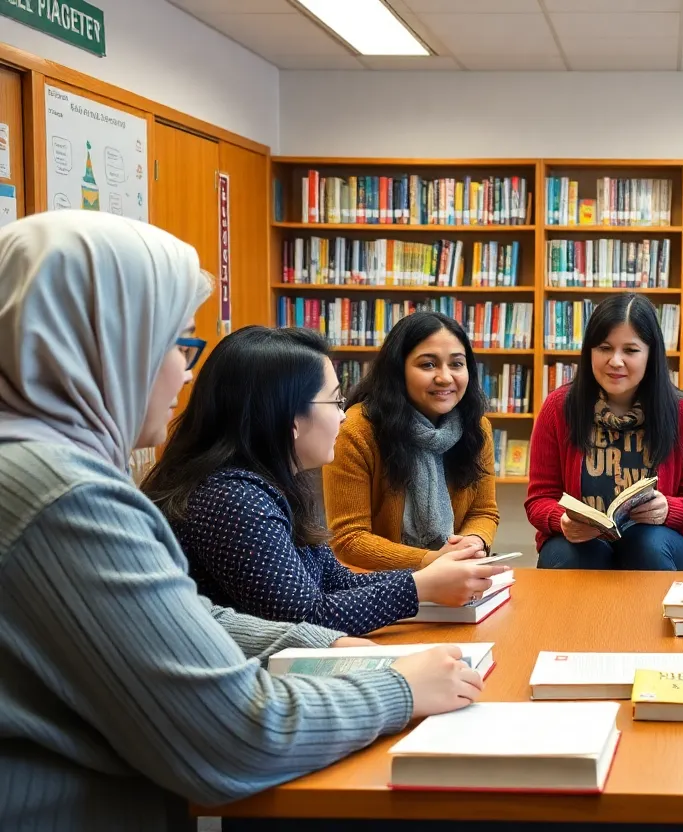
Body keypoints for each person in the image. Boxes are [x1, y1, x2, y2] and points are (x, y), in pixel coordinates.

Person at [0, 212, 483, 830]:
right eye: (176, 344)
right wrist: (401, 689)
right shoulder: (66, 498)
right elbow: (237, 735)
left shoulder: (44, 468)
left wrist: (326, 644)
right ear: (109, 343)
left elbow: (197, 615)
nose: (185, 370)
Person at [141, 326, 506, 636]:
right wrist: (420, 585)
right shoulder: (232, 498)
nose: (344, 418)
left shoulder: (271, 485)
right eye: (334, 402)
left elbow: (334, 581)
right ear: (290, 417)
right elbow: (304, 620)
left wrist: (431, 578)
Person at [526, 293, 683, 570]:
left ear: (651, 354)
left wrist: (668, 510)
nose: (615, 361)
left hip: (657, 541)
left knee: (646, 544)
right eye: (604, 347)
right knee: (576, 554)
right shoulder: (559, 408)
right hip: (579, 543)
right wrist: (562, 520)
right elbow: (539, 499)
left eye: (630, 350)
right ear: (589, 351)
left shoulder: (682, 413)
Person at [324, 311, 499, 571]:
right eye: (428, 365)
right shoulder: (356, 430)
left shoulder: (476, 428)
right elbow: (349, 538)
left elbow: (483, 512)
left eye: (456, 364)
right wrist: (431, 561)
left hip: (456, 574)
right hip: (375, 582)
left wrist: (473, 543)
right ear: (398, 369)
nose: (445, 377)